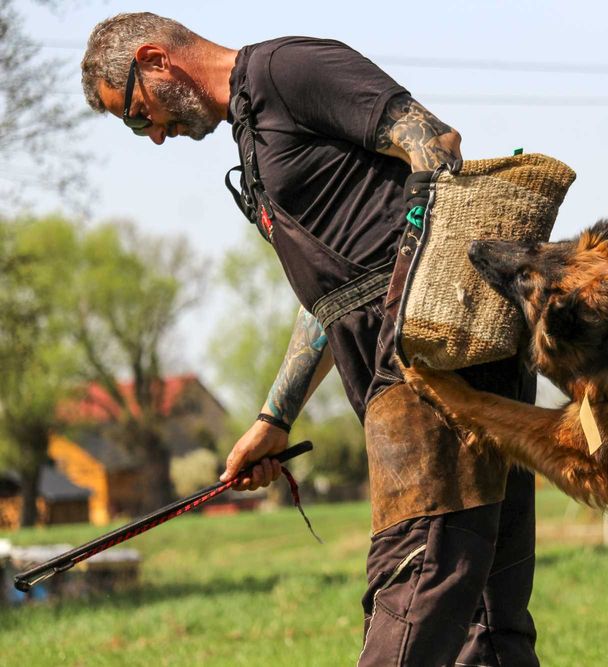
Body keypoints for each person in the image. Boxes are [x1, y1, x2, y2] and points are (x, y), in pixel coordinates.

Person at [81, 13, 539, 666]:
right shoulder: (255, 149)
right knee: (489, 626)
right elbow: (332, 294)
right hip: (436, 369)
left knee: (415, 580)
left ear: (154, 59)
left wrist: (410, 306)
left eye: (135, 113)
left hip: (435, 367)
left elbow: (435, 145)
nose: (152, 134)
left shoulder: (286, 70)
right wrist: (275, 416)